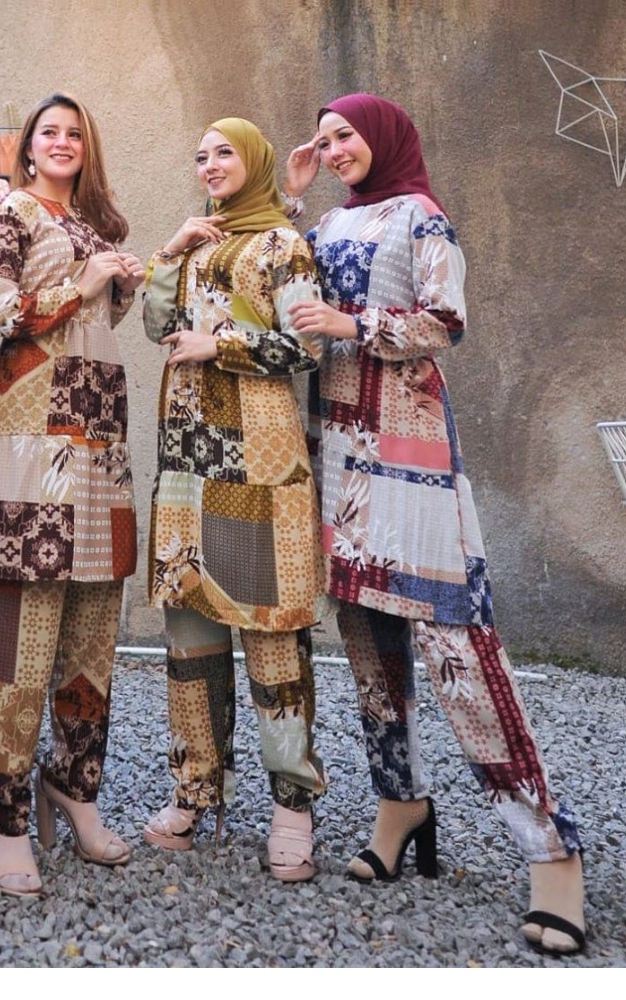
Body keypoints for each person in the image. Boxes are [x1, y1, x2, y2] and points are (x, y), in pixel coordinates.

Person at [283, 93, 585, 953]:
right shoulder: (329, 225)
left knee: (458, 647)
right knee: (366, 639)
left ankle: (551, 848)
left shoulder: (422, 216)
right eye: (325, 139)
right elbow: (288, 299)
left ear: (382, 137)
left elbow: (447, 322)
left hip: (408, 455)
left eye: (346, 136)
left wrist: (353, 323)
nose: (334, 150)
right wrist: (293, 201)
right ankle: (400, 804)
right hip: (336, 451)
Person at [141, 118, 328, 882]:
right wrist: (170, 252)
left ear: (252, 161)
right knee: (190, 639)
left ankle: (293, 804)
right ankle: (195, 790)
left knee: (272, 637)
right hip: (188, 465)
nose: (210, 165)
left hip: (259, 466)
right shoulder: (198, 242)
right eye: (200, 155)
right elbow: (156, 325)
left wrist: (218, 344)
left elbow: (307, 346)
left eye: (224, 153)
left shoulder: (283, 245)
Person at [0, 92, 143, 897]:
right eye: (50, 132)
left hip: (101, 446)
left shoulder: (97, 225)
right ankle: (2, 816)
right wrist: (82, 283)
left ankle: (74, 789)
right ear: (29, 148)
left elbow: (104, 320)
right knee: (21, 637)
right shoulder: (11, 215)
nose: (64, 141)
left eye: (76, 132)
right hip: (31, 446)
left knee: (92, 633)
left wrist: (118, 275)